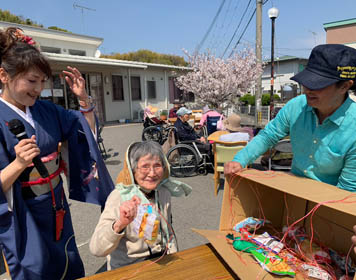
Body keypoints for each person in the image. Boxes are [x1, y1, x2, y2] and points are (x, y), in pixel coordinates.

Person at [0, 27, 114, 279]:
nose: (38, 89)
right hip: (23, 213)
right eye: (31, 81)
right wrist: (18, 163)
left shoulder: (47, 110)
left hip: (56, 204)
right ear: (4, 75)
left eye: (42, 82)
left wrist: (83, 99)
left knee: (68, 261)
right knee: (35, 269)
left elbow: (84, 132)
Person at [225, 44, 356, 192]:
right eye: (306, 82)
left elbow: (347, 189)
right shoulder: (296, 106)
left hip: (330, 198)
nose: (307, 90)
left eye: (318, 85)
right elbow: (268, 136)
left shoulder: (353, 127)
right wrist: (240, 160)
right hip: (295, 188)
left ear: (344, 86)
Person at [89, 141, 192, 269]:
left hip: (161, 260)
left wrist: (175, 264)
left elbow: (168, 233)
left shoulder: (163, 192)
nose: (152, 173)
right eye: (145, 166)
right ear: (133, 170)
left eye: (157, 165)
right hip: (129, 267)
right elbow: (96, 249)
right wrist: (121, 223)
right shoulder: (119, 197)